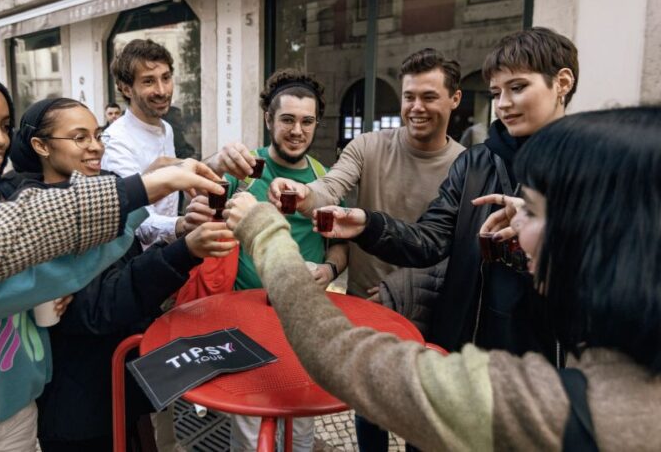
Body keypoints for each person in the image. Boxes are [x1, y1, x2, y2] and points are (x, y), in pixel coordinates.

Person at [223, 106, 661, 451]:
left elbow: (337, 354)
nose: (515, 225)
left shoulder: (552, 409)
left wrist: (265, 232)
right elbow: (426, 237)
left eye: (530, 209)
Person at [0, 63, 225, 450]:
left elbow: (35, 260)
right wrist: (149, 206)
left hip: (19, 406)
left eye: (4, 126)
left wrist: (149, 213)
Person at [302, 28, 578, 364]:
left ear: (562, 83)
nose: (503, 104)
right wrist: (368, 225)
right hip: (461, 352)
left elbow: (612, 283)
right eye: (495, 93)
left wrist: (546, 233)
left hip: (541, 366)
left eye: (517, 88)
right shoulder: (474, 163)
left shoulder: (595, 168)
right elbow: (430, 240)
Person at [1, 97, 235, 451]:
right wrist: (184, 252)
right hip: (81, 402)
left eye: (97, 135)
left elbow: (128, 264)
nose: (95, 147)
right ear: (40, 146)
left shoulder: (108, 190)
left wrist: (182, 233)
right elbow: (98, 307)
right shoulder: (36, 217)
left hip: (127, 379)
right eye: (79, 138)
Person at [266, 50, 466, 452]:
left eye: (429, 96)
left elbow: (452, 249)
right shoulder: (368, 146)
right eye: (409, 96)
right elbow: (330, 187)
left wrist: (401, 290)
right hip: (365, 309)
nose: (416, 107)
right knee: (369, 412)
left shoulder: (467, 165)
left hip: (427, 314)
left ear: (455, 99)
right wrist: (304, 194)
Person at [201, 68, 348, 451]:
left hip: (303, 316)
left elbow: (340, 244)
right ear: (269, 119)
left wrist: (330, 268)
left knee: (301, 423)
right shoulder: (245, 168)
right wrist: (216, 162)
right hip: (243, 316)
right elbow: (197, 194)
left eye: (307, 121)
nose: (297, 130)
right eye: (287, 119)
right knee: (250, 427)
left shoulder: (323, 178)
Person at [102, 39, 185, 247]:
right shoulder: (115, 141)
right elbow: (137, 222)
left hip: (169, 252)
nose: (162, 91)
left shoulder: (167, 129)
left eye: (166, 78)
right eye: (149, 81)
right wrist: (185, 224)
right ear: (126, 89)